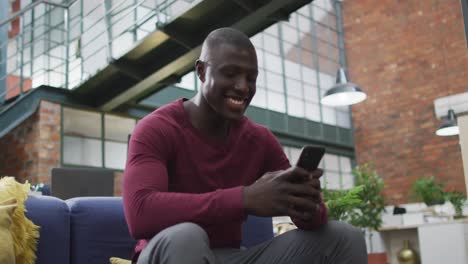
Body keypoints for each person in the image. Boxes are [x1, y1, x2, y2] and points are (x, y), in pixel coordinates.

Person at [123, 27, 367, 264]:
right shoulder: (156, 128)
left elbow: (311, 220)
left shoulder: (259, 139)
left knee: (345, 238)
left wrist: (308, 204)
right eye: (230, 74)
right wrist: (243, 199)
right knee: (187, 236)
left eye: (251, 78)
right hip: (167, 252)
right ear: (201, 71)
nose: (243, 87)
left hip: (229, 255)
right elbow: (140, 214)